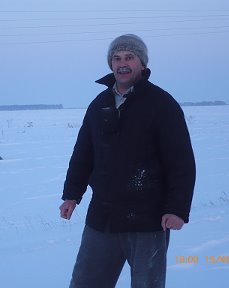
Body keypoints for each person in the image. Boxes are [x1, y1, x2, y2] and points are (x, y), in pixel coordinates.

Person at [60, 34, 196, 288]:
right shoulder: (99, 104)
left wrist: (177, 209)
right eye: (116, 58)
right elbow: (83, 153)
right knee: (85, 282)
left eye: (129, 57)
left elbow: (181, 162)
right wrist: (71, 194)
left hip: (148, 219)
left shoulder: (161, 104)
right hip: (103, 217)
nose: (122, 63)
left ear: (142, 64)